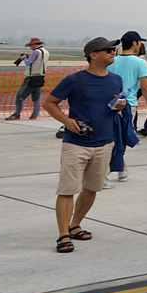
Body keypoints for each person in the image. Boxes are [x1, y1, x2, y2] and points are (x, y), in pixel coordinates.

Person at [41, 37, 127, 252]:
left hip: (105, 143)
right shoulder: (74, 80)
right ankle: (63, 235)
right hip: (77, 144)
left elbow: (113, 107)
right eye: (108, 49)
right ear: (93, 55)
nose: (113, 52)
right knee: (67, 189)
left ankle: (75, 225)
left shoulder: (116, 79)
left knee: (92, 188)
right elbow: (49, 103)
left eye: (114, 49)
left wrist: (120, 105)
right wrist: (66, 121)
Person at [107, 32, 147, 185]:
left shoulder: (112, 60)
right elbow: (145, 87)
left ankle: (122, 170)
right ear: (134, 43)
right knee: (121, 138)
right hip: (128, 104)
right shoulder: (140, 62)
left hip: (111, 102)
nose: (140, 45)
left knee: (114, 137)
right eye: (139, 42)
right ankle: (104, 173)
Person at [7, 37, 50, 120]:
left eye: (30, 45)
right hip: (40, 77)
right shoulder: (45, 52)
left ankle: (17, 114)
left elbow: (28, 63)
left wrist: (24, 58)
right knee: (36, 97)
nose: (30, 47)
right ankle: (35, 115)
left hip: (32, 77)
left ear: (34, 44)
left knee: (20, 96)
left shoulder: (35, 52)